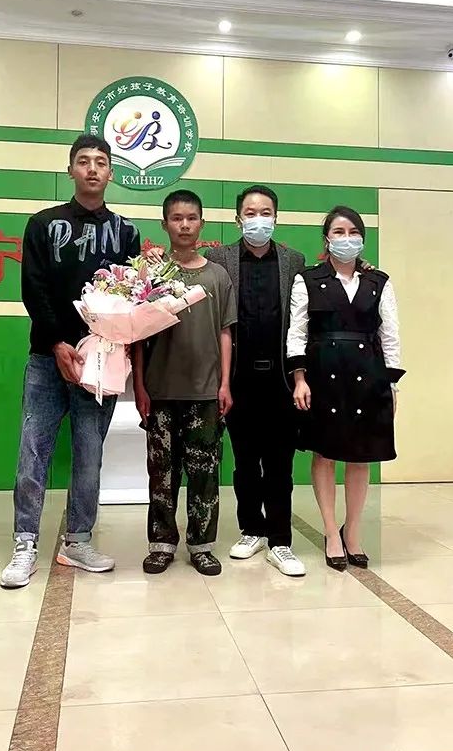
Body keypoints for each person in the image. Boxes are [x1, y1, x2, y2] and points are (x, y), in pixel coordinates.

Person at [0, 134, 141, 589]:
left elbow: (131, 299)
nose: (92, 169)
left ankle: (78, 541)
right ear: (70, 171)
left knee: (89, 454)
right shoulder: (42, 224)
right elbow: (33, 289)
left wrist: (111, 347)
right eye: (84, 161)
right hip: (47, 358)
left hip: (99, 362)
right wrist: (59, 342)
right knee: (33, 451)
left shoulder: (126, 232)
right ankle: (25, 543)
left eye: (101, 162)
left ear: (111, 173)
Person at [288, 205, 404, 571]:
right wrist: (299, 378)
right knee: (324, 454)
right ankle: (330, 531)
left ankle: (352, 531)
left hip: (368, 375)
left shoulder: (378, 281)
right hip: (322, 375)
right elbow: (297, 332)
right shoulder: (308, 279)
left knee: (360, 455)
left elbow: (390, 334)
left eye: (353, 232)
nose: (347, 239)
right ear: (326, 239)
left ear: (363, 239)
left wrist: (392, 384)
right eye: (339, 232)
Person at [133, 189, 237, 576]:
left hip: (205, 392)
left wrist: (224, 384)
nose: (185, 225)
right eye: (177, 218)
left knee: (205, 473)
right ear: (165, 225)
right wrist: (140, 386)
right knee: (162, 473)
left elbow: (225, 332)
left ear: (202, 224)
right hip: (160, 391)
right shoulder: (152, 276)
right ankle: (161, 544)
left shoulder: (217, 276)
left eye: (191, 218)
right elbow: (137, 335)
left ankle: (202, 546)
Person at [207, 185, 307, 577]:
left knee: (280, 463)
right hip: (238, 377)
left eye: (266, 213)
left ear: (276, 218)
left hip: (282, 379)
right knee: (245, 461)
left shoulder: (293, 261)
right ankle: (252, 529)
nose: (258, 219)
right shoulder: (220, 259)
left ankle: (281, 541)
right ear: (238, 219)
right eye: (251, 213)